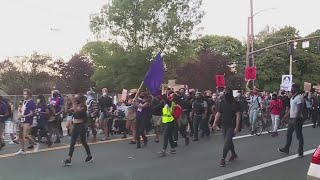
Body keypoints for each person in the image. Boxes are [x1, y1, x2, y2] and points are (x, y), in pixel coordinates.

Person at [213, 88, 241, 167]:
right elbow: (219, 112)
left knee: (227, 141)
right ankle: (233, 154)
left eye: (227, 92)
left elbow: (238, 115)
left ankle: (223, 159)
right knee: (228, 141)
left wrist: (237, 126)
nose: (225, 94)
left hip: (231, 125)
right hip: (224, 124)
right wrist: (215, 123)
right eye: (224, 92)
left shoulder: (235, 103)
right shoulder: (222, 102)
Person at [63, 94, 93, 166]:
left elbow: (77, 112)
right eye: (75, 98)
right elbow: (67, 111)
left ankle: (89, 155)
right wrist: (67, 102)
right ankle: (69, 158)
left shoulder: (83, 106)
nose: (75, 99)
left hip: (81, 126)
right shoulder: (76, 105)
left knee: (83, 142)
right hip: (75, 125)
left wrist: (73, 101)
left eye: (77, 98)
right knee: (72, 142)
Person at [278, 84, 304, 158]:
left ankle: (300, 152)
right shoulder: (292, 98)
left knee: (299, 136)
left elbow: (299, 109)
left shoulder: (299, 97)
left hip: (297, 118)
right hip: (292, 118)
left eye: (293, 88)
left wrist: (296, 118)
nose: (291, 90)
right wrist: (285, 117)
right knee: (288, 134)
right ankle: (286, 148)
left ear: (296, 89)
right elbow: (291, 109)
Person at [15, 89, 39, 155]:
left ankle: (35, 144)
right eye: (24, 94)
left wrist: (25, 115)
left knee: (25, 135)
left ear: (29, 95)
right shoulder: (24, 102)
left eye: (26, 94)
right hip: (22, 120)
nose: (24, 95)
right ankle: (22, 149)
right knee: (20, 136)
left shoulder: (32, 102)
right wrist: (20, 115)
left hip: (28, 121)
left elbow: (32, 113)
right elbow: (22, 110)